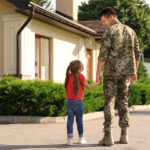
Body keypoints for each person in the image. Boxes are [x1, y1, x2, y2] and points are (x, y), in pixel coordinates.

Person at [96, 7, 142, 146]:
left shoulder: (110, 31)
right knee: (124, 102)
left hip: (111, 72)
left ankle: (108, 136)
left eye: (104, 20)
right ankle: (124, 135)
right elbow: (137, 53)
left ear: (112, 17)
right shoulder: (131, 31)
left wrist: (97, 73)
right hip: (126, 73)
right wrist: (134, 71)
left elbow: (103, 54)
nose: (103, 23)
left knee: (109, 101)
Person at [64, 60, 101, 145]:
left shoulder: (69, 76)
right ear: (78, 68)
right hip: (78, 102)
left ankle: (70, 139)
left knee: (70, 120)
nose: (84, 66)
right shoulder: (81, 76)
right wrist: (98, 83)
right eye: (82, 65)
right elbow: (88, 87)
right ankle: (81, 138)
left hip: (68, 101)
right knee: (79, 120)